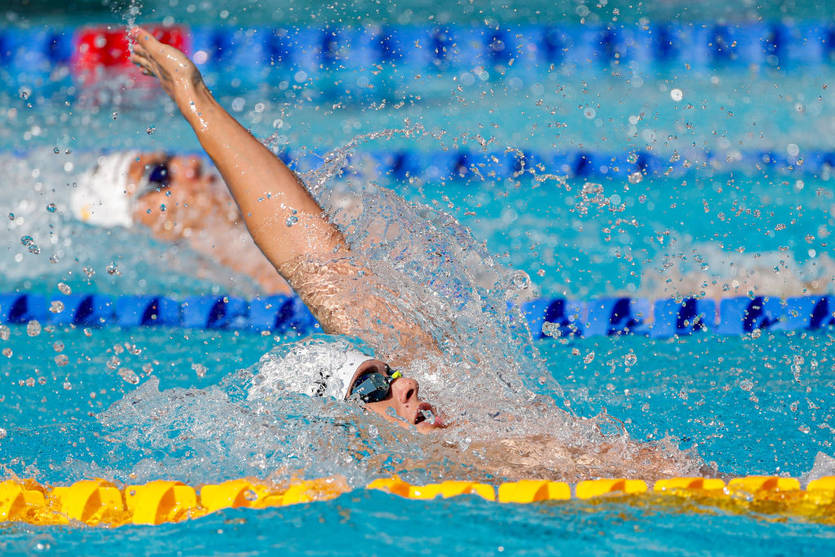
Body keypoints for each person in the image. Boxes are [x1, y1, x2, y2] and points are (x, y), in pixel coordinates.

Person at [128, 27, 446, 433]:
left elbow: (321, 264)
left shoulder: (458, 408)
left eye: (392, 374)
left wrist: (197, 101)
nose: (408, 385)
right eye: (370, 387)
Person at [71, 150, 292, 294]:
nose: (192, 163)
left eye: (170, 157)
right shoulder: (264, 279)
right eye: (159, 174)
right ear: (147, 222)